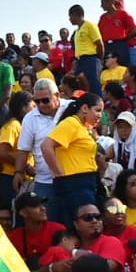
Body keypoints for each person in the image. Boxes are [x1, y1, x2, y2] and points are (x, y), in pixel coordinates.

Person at [41, 94, 104, 227]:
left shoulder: (84, 128)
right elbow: (46, 146)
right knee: (82, 227)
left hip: (87, 183)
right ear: (85, 108)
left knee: (89, 228)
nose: (100, 115)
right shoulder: (71, 123)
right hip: (75, 184)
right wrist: (59, 174)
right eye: (98, 110)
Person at [69, 3, 104, 95]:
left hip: (91, 59)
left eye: (70, 16)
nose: (70, 19)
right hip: (80, 61)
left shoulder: (89, 25)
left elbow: (99, 44)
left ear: (76, 14)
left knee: (94, 85)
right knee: (82, 87)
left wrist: (99, 60)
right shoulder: (77, 31)